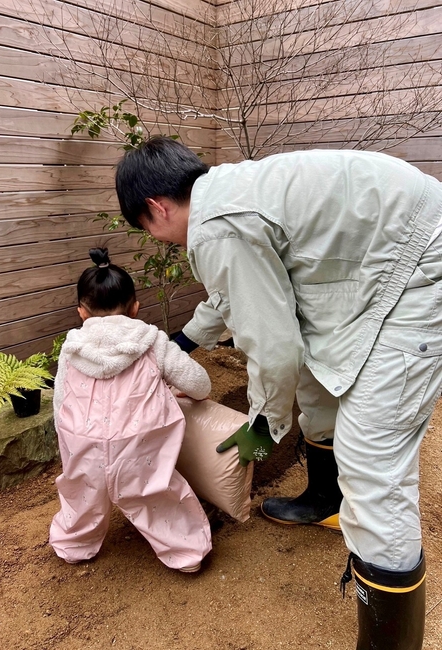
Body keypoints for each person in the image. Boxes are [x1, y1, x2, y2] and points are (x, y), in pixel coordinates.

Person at [115, 136, 442, 649]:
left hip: (420, 270)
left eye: (147, 228)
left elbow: (274, 347)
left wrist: (263, 427)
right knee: (317, 380)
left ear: (156, 207)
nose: (158, 240)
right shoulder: (224, 194)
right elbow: (234, 296)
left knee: (374, 466)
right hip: (385, 261)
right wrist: (181, 343)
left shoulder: (216, 225)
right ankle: (325, 500)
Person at [49, 247, 213, 572]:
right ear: (135, 307)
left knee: (82, 493)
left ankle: (74, 545)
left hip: (82, 441)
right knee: (154, 493)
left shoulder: (72, 349)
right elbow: (199, 383)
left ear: (82, 312)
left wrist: (67, 440)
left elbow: (60, 400)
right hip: (141, 443)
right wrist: (182, 391)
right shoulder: (153, 342)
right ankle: (187, 554)